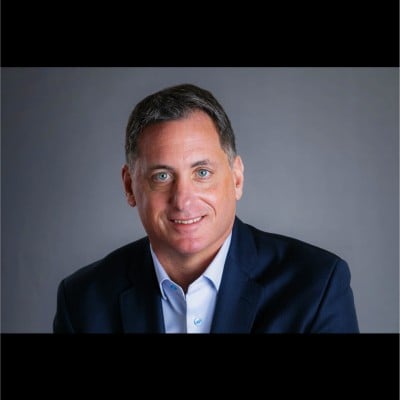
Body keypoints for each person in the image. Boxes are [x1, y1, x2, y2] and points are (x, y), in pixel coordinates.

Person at [53, 83, 359, 333]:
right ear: (129, 186)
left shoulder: (316, 286)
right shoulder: (82, 301)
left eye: (202, 173)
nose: (183, 200)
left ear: (236, 178)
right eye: (162, 176)